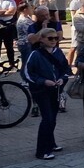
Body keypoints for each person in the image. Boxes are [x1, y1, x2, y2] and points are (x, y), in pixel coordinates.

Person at [22, 28, 70, 160]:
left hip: (55, 89)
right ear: (41, 39)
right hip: (41, 90)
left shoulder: (59, 52)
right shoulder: (35, 54)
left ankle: (51, 142)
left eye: (56, 38)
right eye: (50, 38)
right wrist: (43, 81)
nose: (54, 41)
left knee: (52, 118)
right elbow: (27, 73)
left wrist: (62, 78)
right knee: (47, 118)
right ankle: (42, 150)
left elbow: (66, 68)